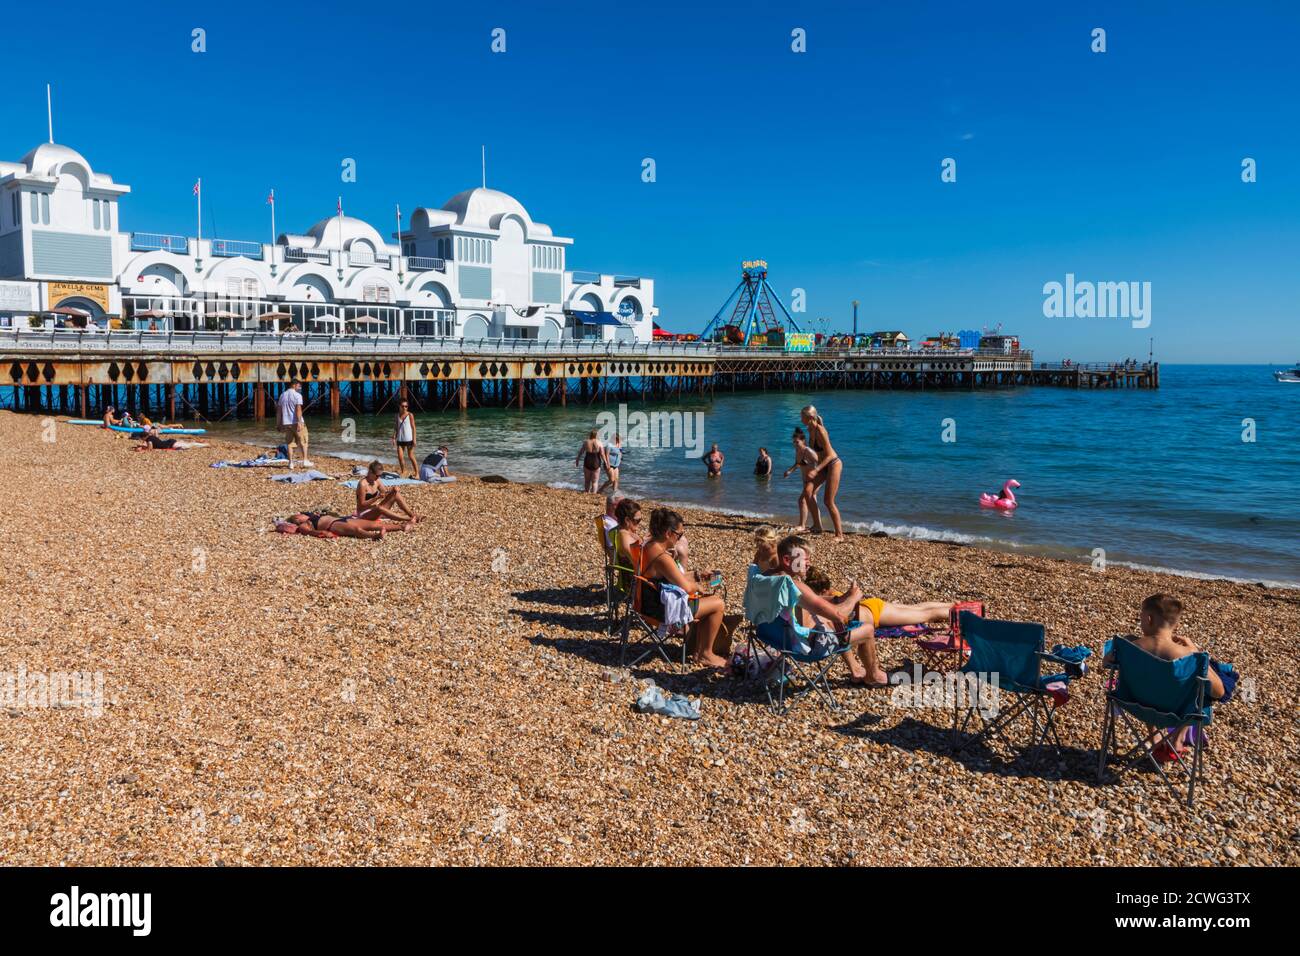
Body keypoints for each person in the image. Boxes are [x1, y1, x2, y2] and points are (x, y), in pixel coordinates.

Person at [1103, 593, 1227, 759]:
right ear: (1176, 623)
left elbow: (1106, 663)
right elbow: (1219, 693)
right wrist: (1197, 651)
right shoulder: (1190, 656)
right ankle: (1177, 740)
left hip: (1136, 704)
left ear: (1148, 618)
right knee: (1200, 688)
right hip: (1178, 713)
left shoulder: (1128, 646)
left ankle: (1155, 737)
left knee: (1150, 680)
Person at [773, 535, 884, 685]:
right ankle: (873, 676)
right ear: (787, 560)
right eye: (805, 559)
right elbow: (839, 615)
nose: (808, 564)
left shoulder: (769, 578)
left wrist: (840, 598)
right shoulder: (794, 586)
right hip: (806, 648)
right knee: (867, 629)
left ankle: (856, 670)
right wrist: (853, 598)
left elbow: (810, 600)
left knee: (825, 619)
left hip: (777, 638)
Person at [639, 508, 739, 668]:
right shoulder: (662, 557)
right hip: (659, 610)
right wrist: (698, 587)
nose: (680, 539)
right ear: (668, 533)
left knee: (707, 601)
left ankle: (699, 649)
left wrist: (698, 575)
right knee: (718, 604)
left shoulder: (649, 546)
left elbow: (674, 578)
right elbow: (686, 588)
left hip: (647, 602)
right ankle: (705, 654)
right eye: (679, 535)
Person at [802, 405, 844, 541]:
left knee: (828, 501)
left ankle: (839, 535)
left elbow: (830, 455)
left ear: (810, 418)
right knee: (808, 492)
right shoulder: (810, 429)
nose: (800, 418)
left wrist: (816, 469)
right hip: (822, 466)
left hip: (833, 464)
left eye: (802, 416)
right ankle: (817, 526)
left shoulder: (821, 431)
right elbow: (817, 454)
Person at [355, 460, 421, 523]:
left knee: (395, 494)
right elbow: (362, 504)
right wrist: (376, 498)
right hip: (363, 513)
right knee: (378, 507)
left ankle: (411, 515)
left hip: (373, 509)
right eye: (377, 475)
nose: (378, 477)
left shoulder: (377, 481)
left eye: (380, 475)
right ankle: (408, 519)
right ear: (370, 472)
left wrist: (393, 490)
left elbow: (385, 493)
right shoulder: (362, 484)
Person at [783, 427, 822, 533]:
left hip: (814, 479)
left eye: (797, 442)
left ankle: (803, 525)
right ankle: (817, 525)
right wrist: (789, 471)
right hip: (806, 480)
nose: (795, 444)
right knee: (812, 500)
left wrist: (814, 473)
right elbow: (798, 463)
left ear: (803, 441)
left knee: (802, 500)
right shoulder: (798, 450)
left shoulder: (808, 451)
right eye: (794, 442)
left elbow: (820, 462)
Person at [285, 511, 412, 540]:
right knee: (356, 530)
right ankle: (375, 537)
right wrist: (323, 534)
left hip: (342, 519)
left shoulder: (312, 515)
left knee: (373, 524)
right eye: (298, 516)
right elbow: (310, 532)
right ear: (296, 519)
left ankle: (401, 527)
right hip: (332, 525)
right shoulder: (303, 525)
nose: (300, 514)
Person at [277, 380, 309, 469]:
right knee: (304, 441)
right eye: (299, 386)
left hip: (286, 423)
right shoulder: (297, 395)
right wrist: (299, 422)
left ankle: (291, 463)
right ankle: (305, 460)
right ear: (294, 385)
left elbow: (279, 411)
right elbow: (298, 409)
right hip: (296, 422)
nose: (300, 388)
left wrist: (279, 423)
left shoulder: (282, 395)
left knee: (290, 443)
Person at [393, 401, 417, 477]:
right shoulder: (397, 415)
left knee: (411, 456)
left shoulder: (410, 415)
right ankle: (403, 471)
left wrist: (414, 439)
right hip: (400, 439)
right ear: (399, 406)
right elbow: (396, 427)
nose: (404, 408)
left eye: (406, 406)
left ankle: (417, 473)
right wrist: (393, 437)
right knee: (400, 457)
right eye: (403, 406)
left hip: (409, 439)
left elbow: (413, 428)